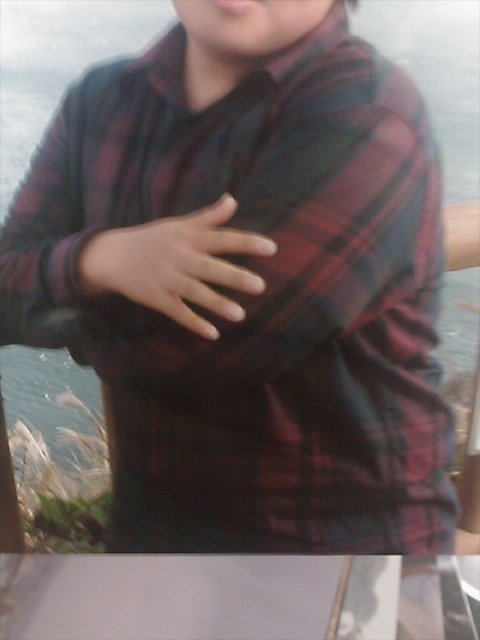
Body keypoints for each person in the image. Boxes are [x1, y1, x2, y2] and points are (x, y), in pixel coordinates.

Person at [0, 0, 459, 553]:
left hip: (347, 550)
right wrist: (99, 260)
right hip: (156, 539)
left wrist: (49, 302)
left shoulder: (370, 116)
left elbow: (209, 349)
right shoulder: (102, 101)